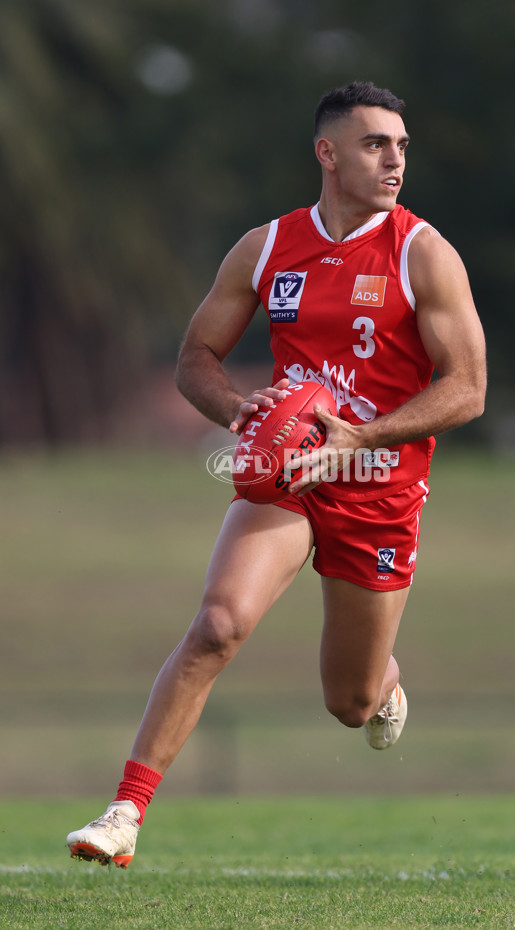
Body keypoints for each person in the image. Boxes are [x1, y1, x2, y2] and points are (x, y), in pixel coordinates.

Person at [66, 80, 486, 868]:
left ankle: (383, 682)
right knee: (218, 625)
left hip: (381, 487)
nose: (395, 158)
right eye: (374, 143)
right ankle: (124, 814)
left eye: (401, 145)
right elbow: (197, 358)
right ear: (327, 153)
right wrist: (238, 414)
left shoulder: (422, 252)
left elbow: (467, 389)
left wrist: (361, 435)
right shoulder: (265, 247)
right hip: (289, 475)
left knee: (347, 701)